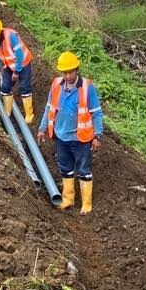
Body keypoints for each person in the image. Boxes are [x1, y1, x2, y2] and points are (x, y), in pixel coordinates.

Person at [37, 52, 104, 215]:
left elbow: (96, 113)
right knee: (65, 168)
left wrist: (97, 135)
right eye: (64, 73)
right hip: (61, 137)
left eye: (70, 72)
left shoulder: (87, 88)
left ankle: (86, 204)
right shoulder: (56, 85)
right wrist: (42, 129)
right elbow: (49, 108)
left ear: (77, 70)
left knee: (83, 170)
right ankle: (68, 199)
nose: (67, 76)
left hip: (81, 139)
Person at [0, 18, 35, 124]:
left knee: (25, 87)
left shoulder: (11, 36)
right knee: (5, 87)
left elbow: (19, 54)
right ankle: (7, 112)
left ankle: (29, 114)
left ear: (0, 31)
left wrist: (16, 72)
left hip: (23, 62)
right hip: (8, 65)